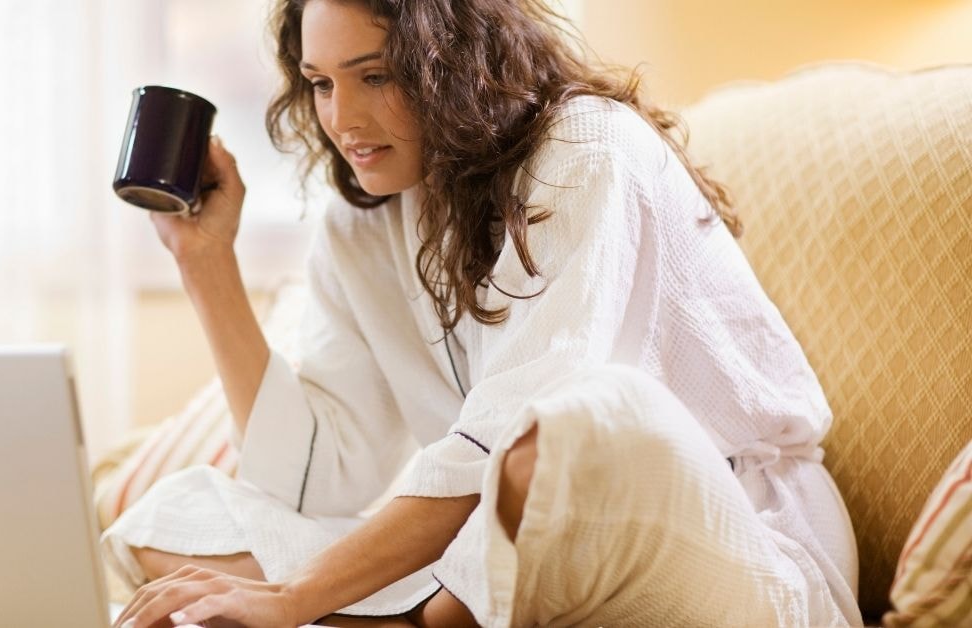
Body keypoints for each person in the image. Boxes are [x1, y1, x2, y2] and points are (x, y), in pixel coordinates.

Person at [106, 0, 862, 626]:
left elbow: (510, 437)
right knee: (169, 520)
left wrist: (297, 595)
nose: (345, 119)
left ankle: (405, 616)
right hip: (500, 541)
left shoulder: (587, 147)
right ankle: (416, 613)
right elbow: (317, 479)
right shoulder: (364, 219)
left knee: (567, 429)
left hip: (726, 533)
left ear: (454, 63)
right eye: (321, 83)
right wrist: (204, 262)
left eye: (376, 76)